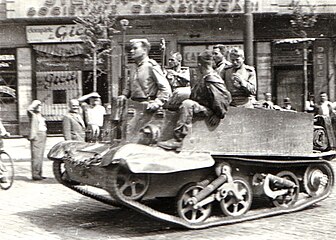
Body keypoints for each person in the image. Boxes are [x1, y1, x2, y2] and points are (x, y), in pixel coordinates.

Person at [157, 50, 232, 151]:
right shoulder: (205, 77)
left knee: (187, 104)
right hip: (201, 107)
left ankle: (177, 140)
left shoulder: (212, 78)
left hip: (208, 111)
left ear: (200, 65)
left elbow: (225, 97)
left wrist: (219, 114)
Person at [120, 38, 172, 111]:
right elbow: (129, 86)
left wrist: (158, 102)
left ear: (144, 50)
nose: (131, 51)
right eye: (131, 49)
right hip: (133, 106)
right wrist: (124, 96)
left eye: (135, 48)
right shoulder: (134, 67)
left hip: (148, 107)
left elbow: (165, 88)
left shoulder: (151, 66)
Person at [27, 100, 47, 181]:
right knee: (36, 156)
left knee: (40, 155)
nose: (39, 107)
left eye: (40, 106)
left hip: (42, 135)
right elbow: (29, 109)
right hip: (37, 135)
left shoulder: (40, 115)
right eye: (37, 106)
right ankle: (35, 174)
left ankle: (39, 173)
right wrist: (36, 103)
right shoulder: (33, 115)